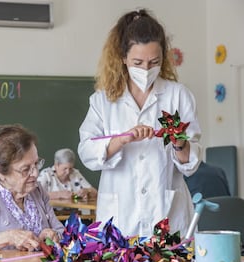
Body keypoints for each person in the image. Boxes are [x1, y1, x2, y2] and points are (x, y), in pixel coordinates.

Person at [77, 9, 202, 238]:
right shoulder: (103, 100)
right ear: (123, 58)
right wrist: (121, 140)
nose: (146, 70)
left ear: (163, 57)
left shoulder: (178, 96)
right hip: (120, 217)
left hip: (168, 215)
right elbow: (86, 151)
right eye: (138, 62)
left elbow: (190, 164)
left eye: (154, 62)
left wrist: (179, 143)